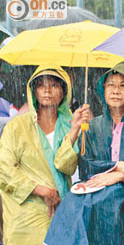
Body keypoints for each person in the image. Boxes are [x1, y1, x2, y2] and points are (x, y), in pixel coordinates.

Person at [44, 62, 124, 245]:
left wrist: (120, 176)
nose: (115, 91)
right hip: (97, 197)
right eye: (111, 85)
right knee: (73, 204)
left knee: (114, 200)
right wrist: (119, 166)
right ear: (103, 90)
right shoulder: (92, 127)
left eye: (122, 85)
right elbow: (86, 167)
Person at [0, 65, 89, 245]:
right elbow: (4, 170)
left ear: (64, 92)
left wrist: (73, 132)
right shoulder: (16, 127)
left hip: (60, 214)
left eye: (54, 85)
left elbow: (66, 167)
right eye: (41, 85)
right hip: (24, 220)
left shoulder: (70, 125)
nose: (47, 90)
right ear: (34, 91)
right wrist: (40, 189)